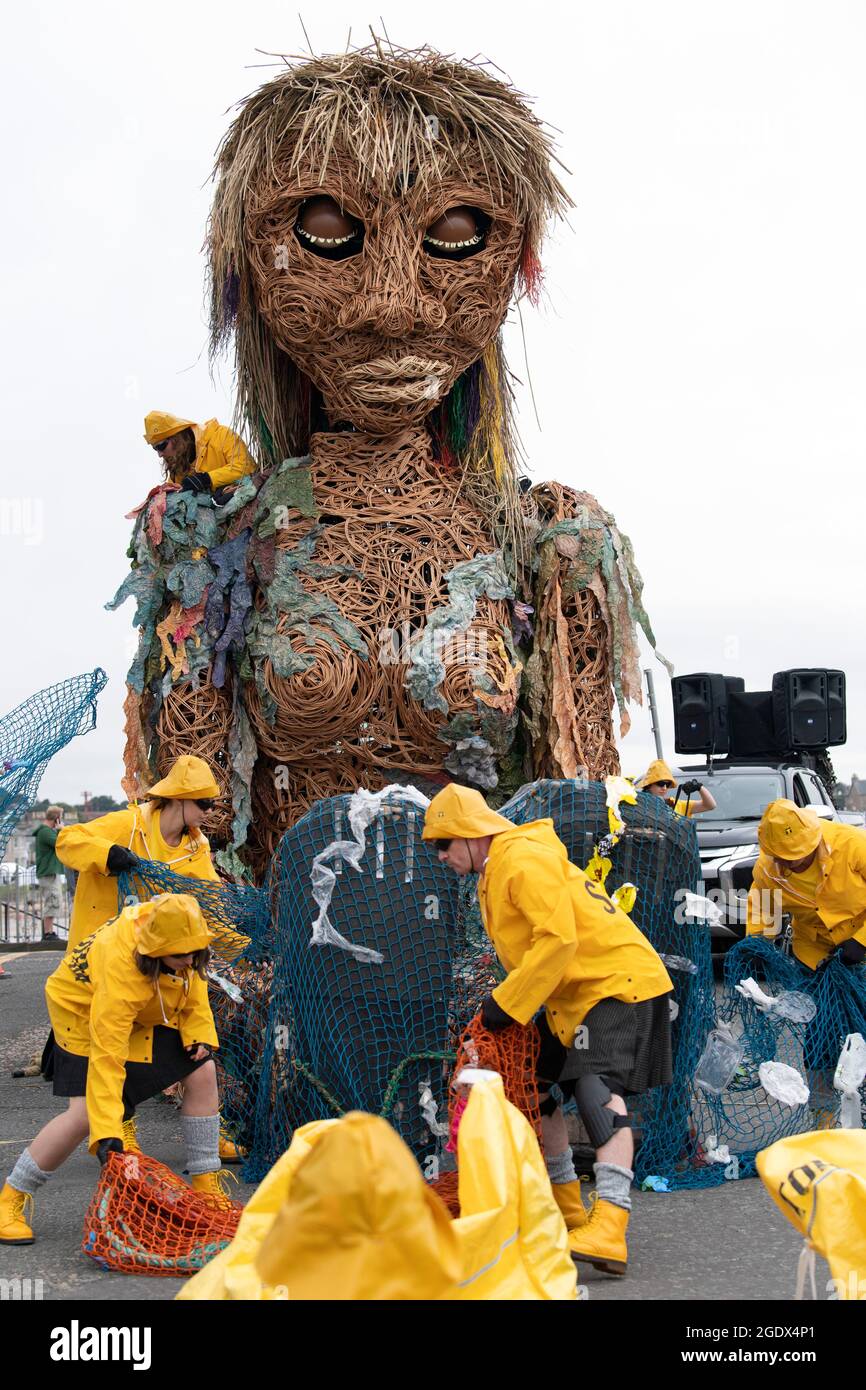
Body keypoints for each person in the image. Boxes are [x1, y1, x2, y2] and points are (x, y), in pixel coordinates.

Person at [423, 783, 673, 1276]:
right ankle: (566, 1209)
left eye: (442, 845)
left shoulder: (521, 860)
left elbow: (559, 940)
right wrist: (509, 1004)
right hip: (574, 1000)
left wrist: (507, 1004)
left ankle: (611, 1225)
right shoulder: (496, 870)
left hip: (618, 985)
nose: (441, 857)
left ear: (468, 834)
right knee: (535, 1085)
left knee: (596, 1087)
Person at [0, 893, 234, 1245]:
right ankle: (9, 1200)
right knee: (83, 1116)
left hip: (148, 1006)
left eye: (195, 953)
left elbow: (193, 985)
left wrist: (198, 1032)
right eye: (180, 955)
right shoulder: (121, 968)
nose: (188, 961)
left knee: (201, 1068)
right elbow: (109, 1056)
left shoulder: (179, 929)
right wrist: (107, 1131)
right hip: (81, 1013)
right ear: (153, 951)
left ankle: (205, 1185)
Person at [55, 754, 247, 1160]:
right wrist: (107, 855)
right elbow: (67, 841)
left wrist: (246, 950)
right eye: (204, 805)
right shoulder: (128, 826)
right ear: (178, 799)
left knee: (185, 1049)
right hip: (103, 959)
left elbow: (207, 907)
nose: (208, 815)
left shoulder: (196, 848)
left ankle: (203, 1134)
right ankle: (118, 1129)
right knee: (112, 1046)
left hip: (157, 960)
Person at [747, 799, 866, 972]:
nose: (784, 862)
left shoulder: (851, 843)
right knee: (821, 998)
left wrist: (861, 941)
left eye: (791, 856)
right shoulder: (766, 869)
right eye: (778, 856)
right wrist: (757, 943)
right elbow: (764, 907)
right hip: (813, 953)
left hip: (859, 941)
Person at [143, 411, 255, 499]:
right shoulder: (177, 468)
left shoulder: (222, 435)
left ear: (177, 437)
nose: (160, 454)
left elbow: (246, 467)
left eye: (161, 446)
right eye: (155, 448)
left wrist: (207, 479)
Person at [638, 758, 717, 817]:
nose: (664, 788)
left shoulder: (675, 804)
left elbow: (710, 805)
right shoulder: (637, 804)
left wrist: (699, 787)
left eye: (668, 784)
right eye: (660, 783)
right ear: (649, 785)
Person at [33, 805, 65, 940]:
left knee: (54, 900)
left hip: (50, 872)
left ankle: (49, 931)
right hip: (48, 872)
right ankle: (47, 933)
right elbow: (60, 843)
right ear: (57, 819)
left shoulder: (46, 831)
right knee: (52, 901)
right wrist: (60, 831)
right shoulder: (45, 832)